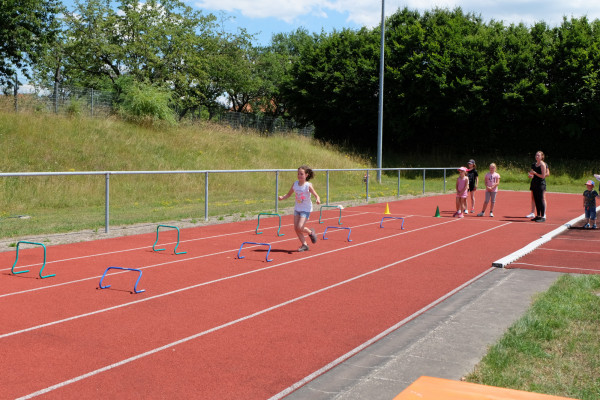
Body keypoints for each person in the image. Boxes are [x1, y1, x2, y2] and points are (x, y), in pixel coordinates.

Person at [278, 165, 321, 251]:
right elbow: (289, 194)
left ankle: (310, 232)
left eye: (301, 174)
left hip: (306, 209)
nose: (299, 175)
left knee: (300, 227)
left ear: (306, 175)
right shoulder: (295, 184)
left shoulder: (308, 185)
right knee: (296, 228)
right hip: (297, 209)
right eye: (298, 174)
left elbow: (316, 195)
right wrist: (282, 197)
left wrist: (317, 199)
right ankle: (304, 245)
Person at [529, 151, 548, 222]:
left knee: (541, 199)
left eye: (538, 155)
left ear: (542, 157)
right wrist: (531, 175)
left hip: (541, 184)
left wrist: (535, 173)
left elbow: (543, 176)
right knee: (536, 199)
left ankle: (543, 216)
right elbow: (532, 174)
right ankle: (538, 215)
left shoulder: (542, 164)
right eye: (536, 155)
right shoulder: (534, 164)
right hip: (534, 183)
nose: (537, 156)